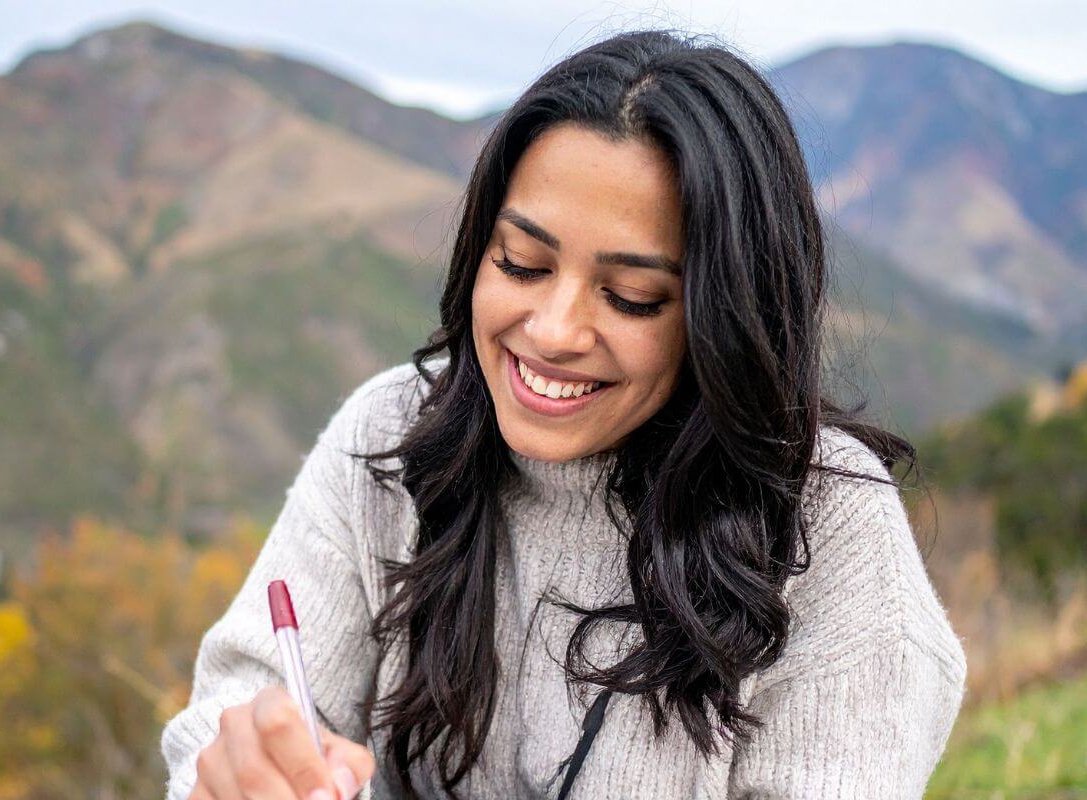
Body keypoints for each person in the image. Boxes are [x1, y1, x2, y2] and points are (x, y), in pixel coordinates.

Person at [161, 27, 966, 800]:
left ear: (725, 316)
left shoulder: (828, 528)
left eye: (633, 297)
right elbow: (240, 704)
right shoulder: (391, 433)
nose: (552, 332)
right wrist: (237, 766)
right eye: (522, 263)